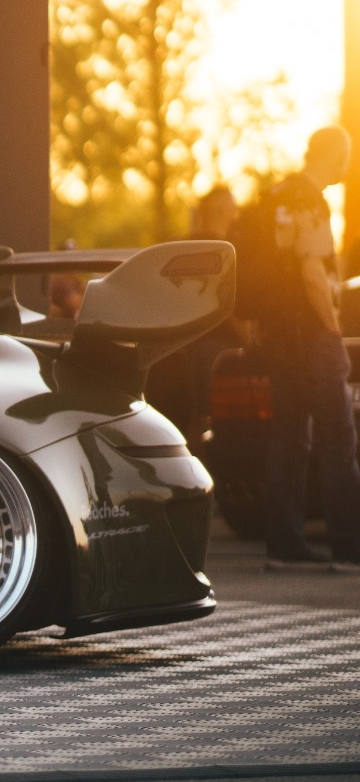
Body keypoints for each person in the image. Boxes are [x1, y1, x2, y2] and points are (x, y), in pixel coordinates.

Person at [259, 128, 360, 570]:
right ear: (335, 155)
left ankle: (284, 545)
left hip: (278, 335)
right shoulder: (310, 200)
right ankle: (350, 546)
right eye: (347, 157)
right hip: (312, 336)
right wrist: (333, 329)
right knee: (339, 440)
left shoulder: (276, 195)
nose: (348, 166)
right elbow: (312, 273)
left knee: (288, 437)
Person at [148, 185, 244, 447]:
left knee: (185, 423)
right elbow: (230, 305)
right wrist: (251, 340)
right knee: (207, 423)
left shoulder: (177, 249)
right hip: (214, 352)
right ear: (225, 212)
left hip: (172, 351)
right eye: (234, 209)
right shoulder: (228, 252)